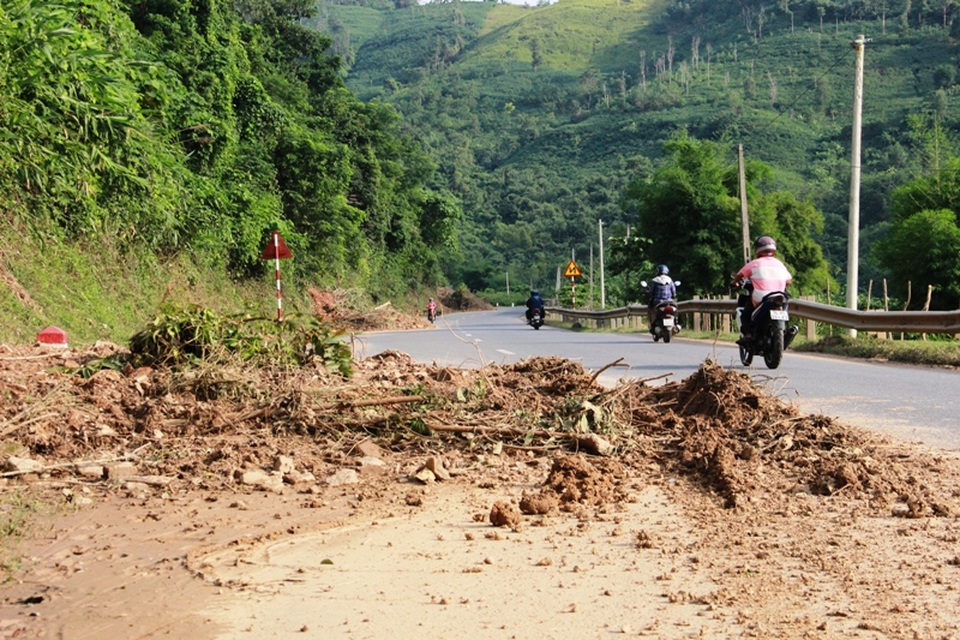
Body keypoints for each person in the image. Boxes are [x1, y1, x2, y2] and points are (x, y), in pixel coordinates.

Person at [730, 236, 793, 342]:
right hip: (779, 296)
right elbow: (789, 281)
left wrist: (734, 283)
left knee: (745, 314)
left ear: (758, 249)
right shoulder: (780, 264)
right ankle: (785, 333)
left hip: (761, 297)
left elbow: (740, 275)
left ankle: (748, 334)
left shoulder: (755, 263)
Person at [646, 264, 677, 334]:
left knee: (650, 309)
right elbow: (674, 291)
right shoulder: (670, 280)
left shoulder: (655, 280)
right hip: (669, 301)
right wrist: (674, 295)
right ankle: (676, 322)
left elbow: (651, 292)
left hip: (658, 302)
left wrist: (649, 293)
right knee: (676, 309)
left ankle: (651, 323)